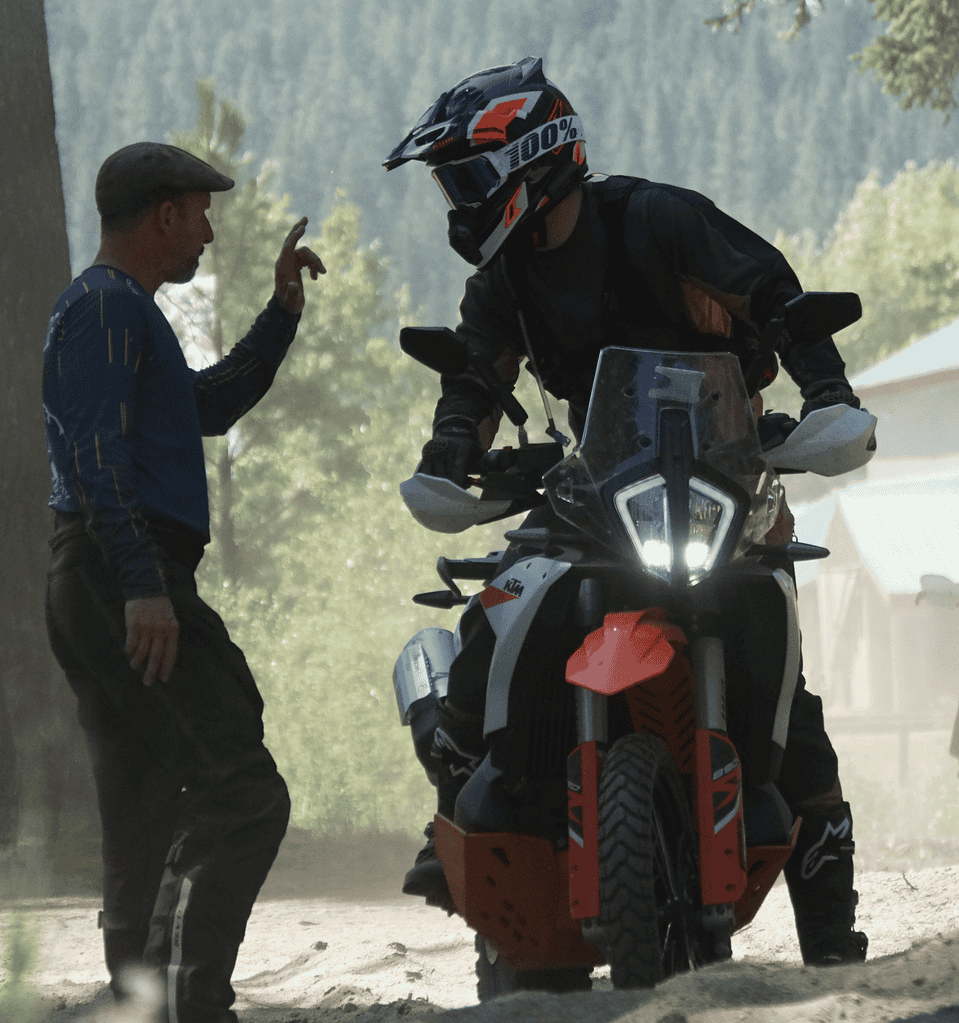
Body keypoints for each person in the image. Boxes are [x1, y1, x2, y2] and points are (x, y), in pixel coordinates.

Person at [384, 57, 868, 967]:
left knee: (790, 707)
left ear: (530, 159)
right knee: (497, 617)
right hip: (596, 488)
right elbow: (477, 377)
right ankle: (455, 799)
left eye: (469, 176)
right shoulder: (503, 276)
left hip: (728, 480)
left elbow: (778, 297)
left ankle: (834, 947)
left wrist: (827, 394)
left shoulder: (658, 220)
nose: (460, 200)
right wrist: (451, 454)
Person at [42, 141, 326, 1021]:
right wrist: (142, 584)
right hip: (116, 565)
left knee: (142, 803)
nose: (208, 231)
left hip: (104, 569)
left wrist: (280, 312)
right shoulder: (101, 307)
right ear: (164, 215)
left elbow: (204, 406)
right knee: (242, 787)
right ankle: (189, 1003)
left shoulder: (126, 311)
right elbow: (94, 455)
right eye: (200, 213)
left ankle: (138, 1003)